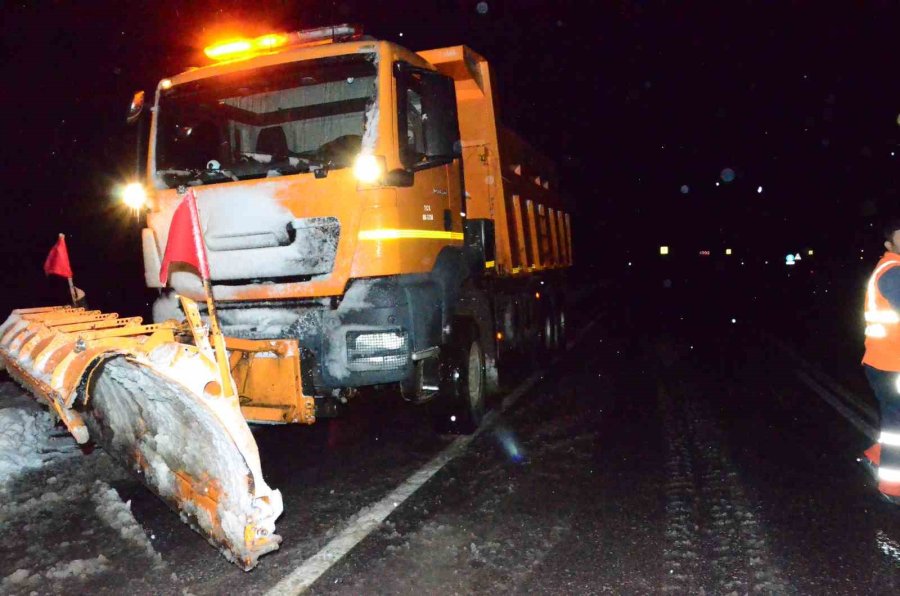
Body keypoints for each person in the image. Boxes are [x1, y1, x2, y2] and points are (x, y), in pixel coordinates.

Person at [861, 218, 900, 503]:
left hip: (887, 362)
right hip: (891, 365)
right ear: (890, 245)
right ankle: (891, 486)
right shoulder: (893, 272)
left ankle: (876, 456)